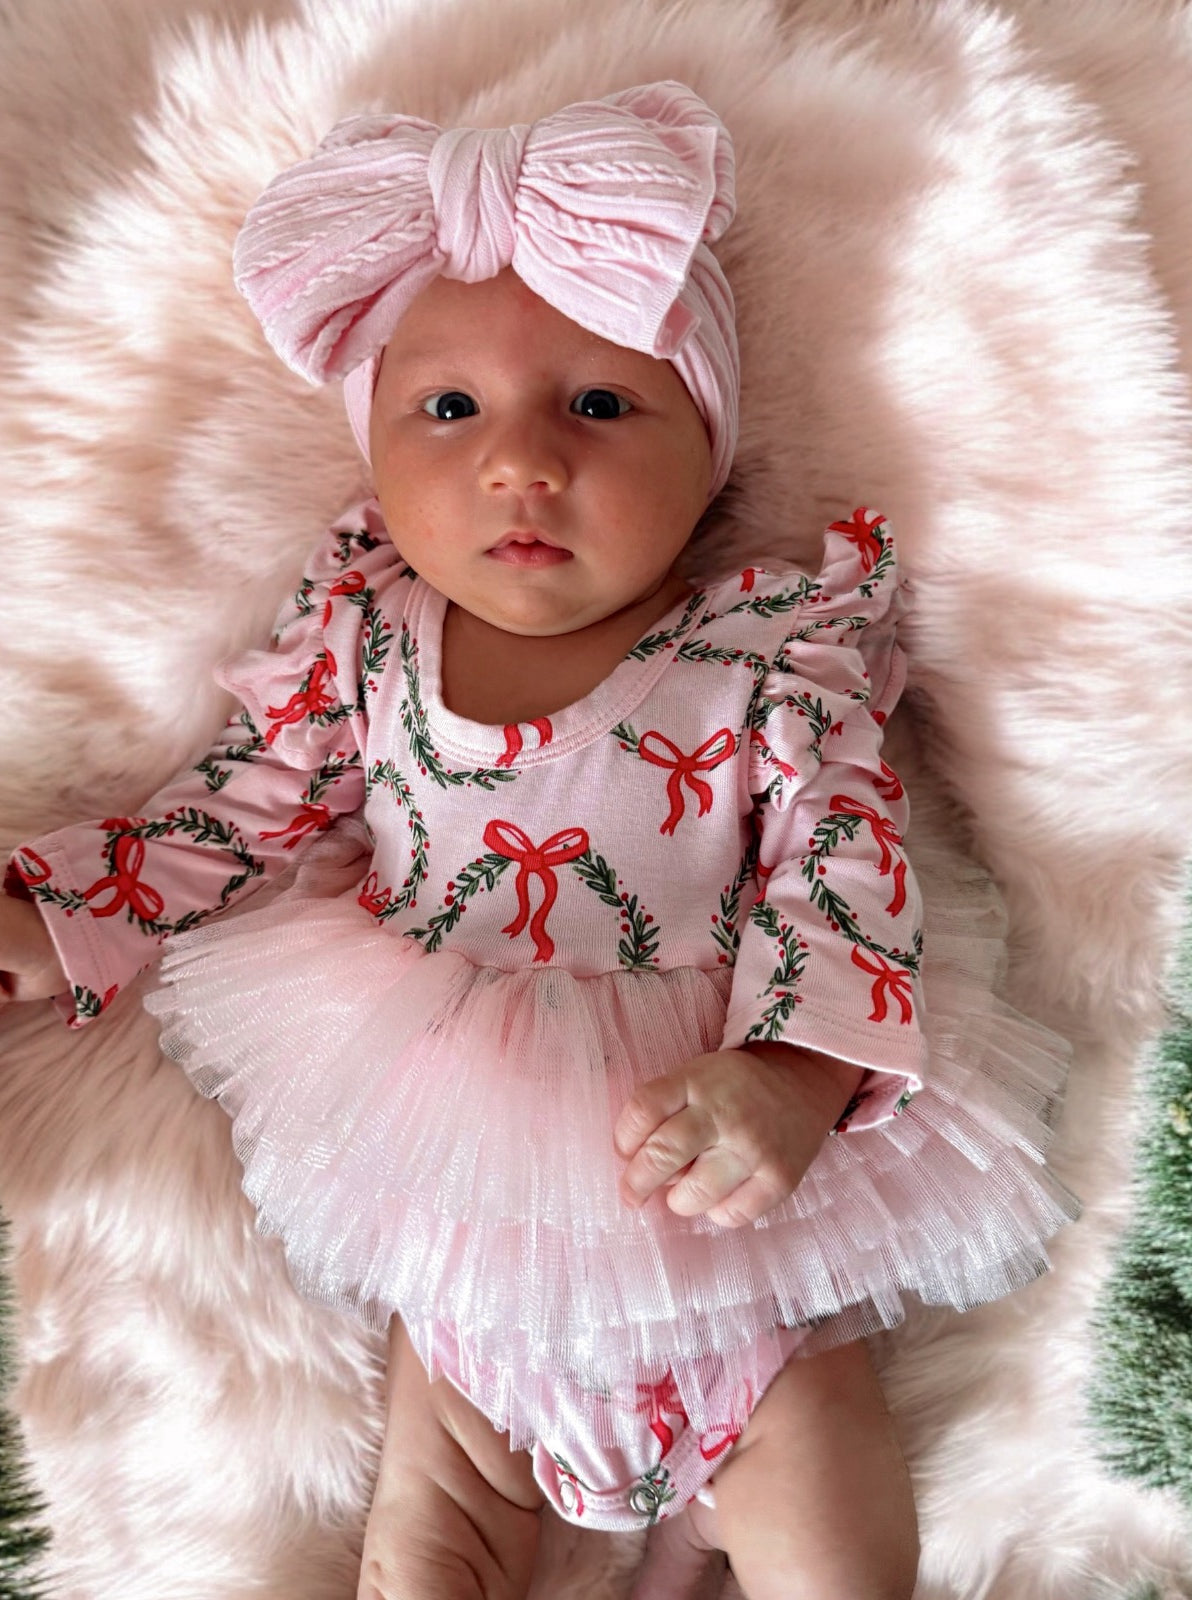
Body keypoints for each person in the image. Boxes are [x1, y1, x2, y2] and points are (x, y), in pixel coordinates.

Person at [0, 81, 1077, 1600]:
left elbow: (843, 872)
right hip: (472, 1271)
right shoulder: (365, 644)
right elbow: (232, 813)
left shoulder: (768, 651)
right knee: (424, 1544)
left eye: (599, 405)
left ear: (710, 447)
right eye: (448, 411)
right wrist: (59, 917)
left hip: (742, 1271)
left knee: (839, 1546)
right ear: (375, 455)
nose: (521, 462)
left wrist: (795, 1074)